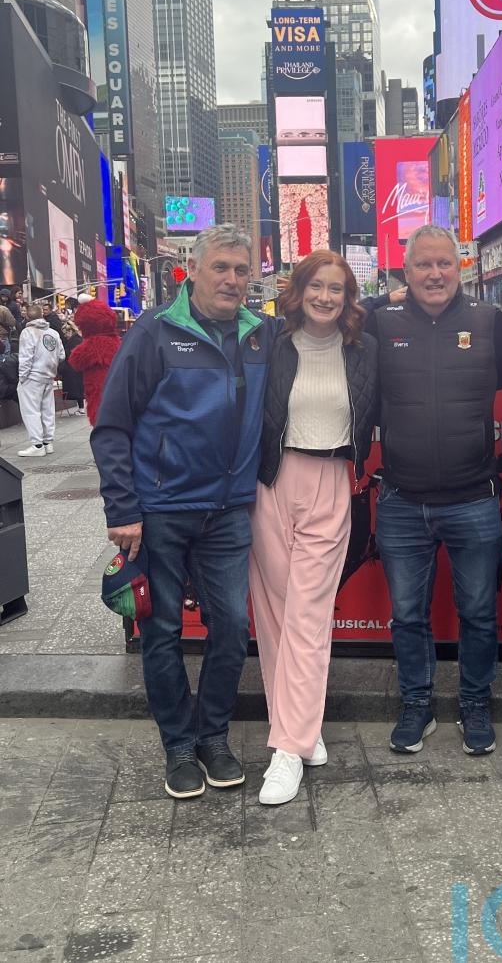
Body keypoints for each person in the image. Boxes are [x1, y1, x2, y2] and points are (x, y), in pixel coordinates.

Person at [91, 224, 281, 800]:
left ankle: (212, 735)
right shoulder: (154, 333)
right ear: (190, 270)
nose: (231, 279)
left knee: (232, 629)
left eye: (241, 270)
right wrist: (123, 509)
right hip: (161, 512)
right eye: (220, 267)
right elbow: (112, 427)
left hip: (227, 512)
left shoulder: (260, 335)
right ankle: (178, 743)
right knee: (163, 630)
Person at [369, 224, 502, 756]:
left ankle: (475, 703)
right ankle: (417, 703)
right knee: (408, 614)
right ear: (404, 275)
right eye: (423, 265)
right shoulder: (380, 324)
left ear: (462, 267)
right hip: (401, 500)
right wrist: (380, 296)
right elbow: (333, 316)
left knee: (477, 612)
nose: (435, 274)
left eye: (444, 264)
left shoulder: (490, 322)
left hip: (474, 498)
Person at [250, 251, 378, 805]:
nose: (326, 297)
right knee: (276, 614)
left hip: (330, 482)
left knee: (308, 614)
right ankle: (304, 728)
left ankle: (286, 750)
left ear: (349, 298)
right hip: (271, 483)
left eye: (338, 288)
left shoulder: (365, 349)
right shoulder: (269, 344)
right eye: (316, 286)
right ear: (297, 290)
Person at [16, 303, 65, 458]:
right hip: (48, 376)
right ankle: (47, 442)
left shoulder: (27, 332)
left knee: (31, 410)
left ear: (27, 316)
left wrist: (22, 377)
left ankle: (37, 444)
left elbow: (25, 357)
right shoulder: (53, 333)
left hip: (32, 376)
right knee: (47, 410)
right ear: (42, 315)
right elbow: (62, 355)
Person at [68, 299, 121, 425]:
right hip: (118, 389)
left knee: (100, 421)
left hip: (97, 389)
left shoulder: (91, 344)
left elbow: (75, 361)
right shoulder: (117, 342)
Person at [60, 320, 85, 414]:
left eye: (65, 333)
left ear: (70, 331)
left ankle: (81, 409)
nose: (65, 336)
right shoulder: (77, 339)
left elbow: (70, 354)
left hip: (74, 370)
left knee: (77, 389)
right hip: (76, 369)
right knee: (78, 389)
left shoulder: (74, 341)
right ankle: (81, 408)